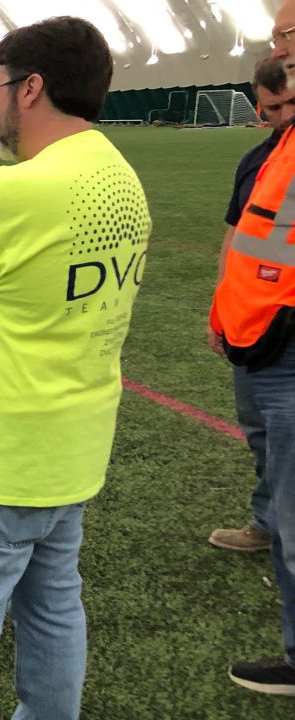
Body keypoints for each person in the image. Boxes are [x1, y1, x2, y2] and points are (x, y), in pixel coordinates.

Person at [0, 17, 149, 718]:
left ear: (32, 88)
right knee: (52, 611)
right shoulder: (121, 176)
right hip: (72, 453)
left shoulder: (10, 189)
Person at [211, 0, 295, 695]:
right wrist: (227, 309)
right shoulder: (270, 154)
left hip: (285, 346)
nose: (279, 43)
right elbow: (246, 240)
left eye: (289, 32)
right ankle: (267, 523)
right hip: (257, 339)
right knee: (270, 458)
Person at [207, 57, 295, 554]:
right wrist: (220, 309)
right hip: (250, 326)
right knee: (261, 432)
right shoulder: (256, 162)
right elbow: (236, 238)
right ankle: (266, 523)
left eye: (291, 105)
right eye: (272, 108)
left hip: (287, 331)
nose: (283, 116)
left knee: (286, 441)